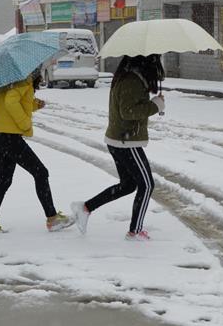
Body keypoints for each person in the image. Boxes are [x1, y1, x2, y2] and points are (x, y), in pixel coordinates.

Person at [70, 55, 165, 241]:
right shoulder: (132, 80)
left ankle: (86, 208)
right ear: (146, 61)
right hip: (126, 142)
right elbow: (128, 112)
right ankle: (135, 231)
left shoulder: (129, 77)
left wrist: (153, 103)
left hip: (119, 140)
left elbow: (130, 107)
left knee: (128, 185)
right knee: (146, 185)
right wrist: (154, 106)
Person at [0, 70, 73, 233]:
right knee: (41, 173)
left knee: (3, 180)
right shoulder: (24, 80)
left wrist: (34, 104)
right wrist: (25, 124)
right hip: (10, 137)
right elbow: (11, 102)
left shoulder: (8, 78)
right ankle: (52, 218)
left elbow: (14, 100)